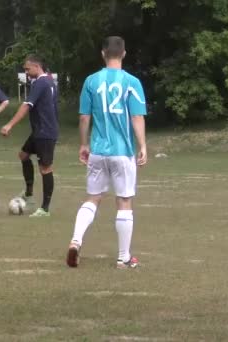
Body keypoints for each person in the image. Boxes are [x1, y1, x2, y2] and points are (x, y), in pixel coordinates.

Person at [66, 36, 147, 269]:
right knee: (124, 200)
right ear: (123, 54)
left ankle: (76, 240)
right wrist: (142, 145)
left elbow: (84, 117)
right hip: (122, 151)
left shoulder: (91, 81)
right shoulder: (132, 82)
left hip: (98, 151)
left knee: (93, 198)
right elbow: (136, 116)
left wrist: (84, 144)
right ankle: (123, 257)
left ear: (103, 54)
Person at [0, 54, 59, 218]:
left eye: (27, 69)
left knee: (45, 168)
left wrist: (9, 124)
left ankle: (44, 209)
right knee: (23, 155)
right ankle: (29, 193)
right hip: (40, 131)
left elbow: (26, 106)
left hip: (45, 132)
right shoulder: (49, 81)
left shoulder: (40, 83)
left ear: (37, 66)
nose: (26, 72)